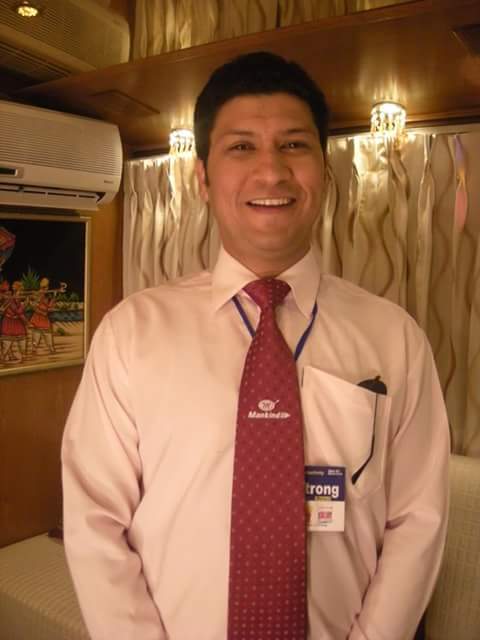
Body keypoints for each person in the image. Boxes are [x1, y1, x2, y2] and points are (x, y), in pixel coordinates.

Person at [61, 51, 450, 640]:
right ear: (202, 177)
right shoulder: (130, 333)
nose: (271, 171)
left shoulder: (394, 338)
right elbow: (95, 520)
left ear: (325, 171)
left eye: (294, 145)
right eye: (242, 147)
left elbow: (418, 520)